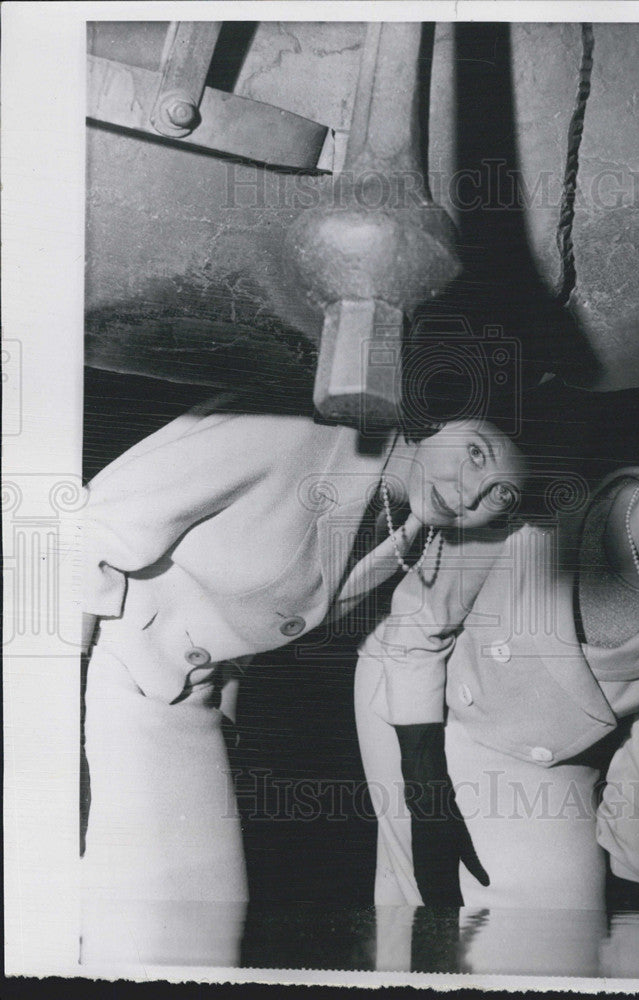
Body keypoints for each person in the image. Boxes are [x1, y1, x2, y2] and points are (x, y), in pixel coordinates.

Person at [79, 387, 528, 967]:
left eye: (501, 493)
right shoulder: (296, 429)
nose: (473, 492)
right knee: (150, 932)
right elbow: (89, 526)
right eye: (476, 453)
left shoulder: (409, 534)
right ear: (439, 419)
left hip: (188, 704)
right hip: (108, 655)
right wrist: (53, 707)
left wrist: (225, 709)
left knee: (208, 937)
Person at [355, 403, 639, 925]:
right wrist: (426, 800)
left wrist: (633, 903)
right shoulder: (547, 497)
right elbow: (417, 628)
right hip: (425, 703)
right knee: (424, 909)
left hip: (555, 759)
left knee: (573, 934)